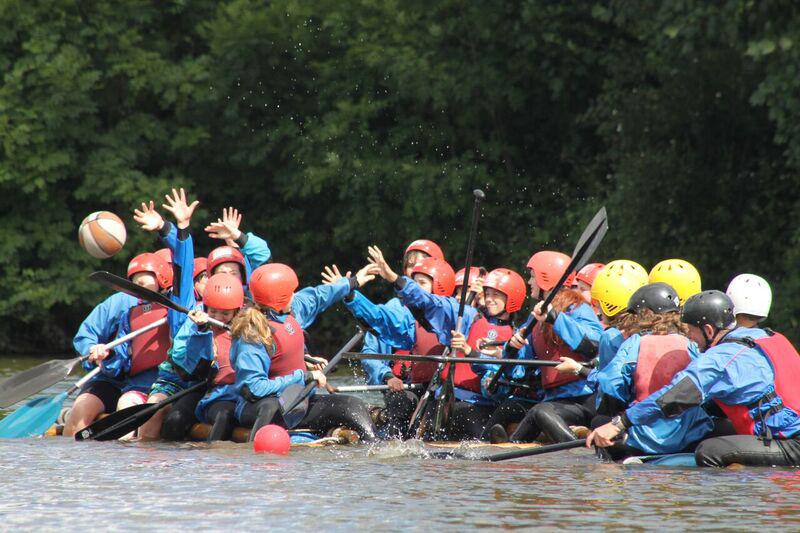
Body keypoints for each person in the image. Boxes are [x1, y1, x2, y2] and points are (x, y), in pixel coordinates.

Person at [587, 290, 800, 467]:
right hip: (787, 431)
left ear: (708, 329)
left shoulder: (718, 359)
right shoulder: (767, 336)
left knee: (710, 451)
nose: (689, 338)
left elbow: (673, 397)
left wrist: (620, 423)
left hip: (791, 444)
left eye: (690, 331)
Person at [233, 263, 378, 441]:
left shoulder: (291, 311)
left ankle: (375, 444)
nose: (295, 295)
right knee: (271, 405)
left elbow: (319, 296)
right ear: (279, 298)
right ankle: (257, 453)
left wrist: (352, 282)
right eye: (290, 293)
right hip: (259, 407)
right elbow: (253, 389)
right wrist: (304, 377)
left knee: (353, 406)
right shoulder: (252, 334)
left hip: (298, 402)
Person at [591, 283, 713, 459]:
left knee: (599, 422)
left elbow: (611, 384)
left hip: (642, 436)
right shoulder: (691, 344)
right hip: (689, 433)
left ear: (644, 314)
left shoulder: (636, 342)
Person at [499, 251, 603, 444]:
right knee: (525, 409)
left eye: (532, 277)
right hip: (557, 400)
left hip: (587, 396)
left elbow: (595, 344)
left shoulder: (579, 309)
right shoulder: (535, 319)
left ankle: (577, 450)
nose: (530, 282)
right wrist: (512, 347)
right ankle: (506, 448)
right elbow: (518, 370)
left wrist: (555, 317)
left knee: (540, 411)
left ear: (546, 279)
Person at [155, 273, 245, 442]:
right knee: (175, 420)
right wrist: (202, 330)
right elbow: (191, 368)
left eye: (225, 314)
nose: (218, 317)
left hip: (230, 392)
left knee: (224, 416)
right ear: (206, 309)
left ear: (237, 311)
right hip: (201, 386)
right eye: (213, 311)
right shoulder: (196, 324)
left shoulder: (246, 328)